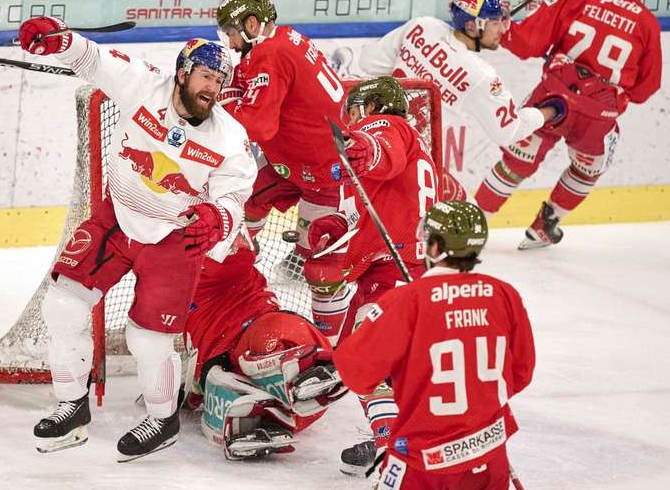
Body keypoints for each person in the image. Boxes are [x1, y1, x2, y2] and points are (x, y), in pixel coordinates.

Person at [17, 21, 257, 460]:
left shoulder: (229, 137)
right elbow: (95, 60)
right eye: (206, 77)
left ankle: (162, 419)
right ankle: (72, 407)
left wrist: (217, 218)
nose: (213, 89)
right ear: (183, 73)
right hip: (117, 219)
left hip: (174, 239)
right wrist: (61, 39)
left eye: (220, 82)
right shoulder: (144, 85)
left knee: (147, 339)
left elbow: (235, 195)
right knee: (63, 304)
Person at [334, 200, 536, 488]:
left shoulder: (405, 302)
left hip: (423, 465)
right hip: (489, 456)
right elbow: (521, 373)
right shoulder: (505, 295)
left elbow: (356, 372)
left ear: (435, 247)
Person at [474, 0, 663, 249]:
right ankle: (545, 225)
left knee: (515, 163)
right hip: (598, 117)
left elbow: (527, 44)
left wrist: (500, 26)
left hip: (552, 100)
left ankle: (470, 226)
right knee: (587, 170)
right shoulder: (646, 23)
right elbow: (646, 88)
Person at [305, 76, 440, 475]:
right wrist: (334, 225)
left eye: (357, 114)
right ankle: (399, 436)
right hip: (405, 268)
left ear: (371, 107)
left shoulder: (387, 126)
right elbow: (373, 204)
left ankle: (391, 447)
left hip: (397, 271)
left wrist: (365, 148)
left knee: (366, 357)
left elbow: (383, 153)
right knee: (357, 358)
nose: (353, 121)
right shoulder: (416, 142)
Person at [216, 0, 351, 347]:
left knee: (321, 268)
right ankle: (237, 275)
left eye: (230, 32)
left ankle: (331, 348)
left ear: (251, 23)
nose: (229, 44)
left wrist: (225, 103)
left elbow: (259, 126)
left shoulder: (269, 54)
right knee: (243, 206)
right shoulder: (284, 37)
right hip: (291, 161)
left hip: (327, 172)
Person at [359, 0, 559, 197]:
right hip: (406, 162)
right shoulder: (480, 75)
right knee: (465, 218)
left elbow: (369, 62)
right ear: (472, 26)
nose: (502, 29)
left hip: (368, 134)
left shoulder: (423, 26)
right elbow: (508, 131)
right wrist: (549, 112)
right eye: (494, 22)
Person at [182, 227, 346, 460]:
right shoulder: (175, 282)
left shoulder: (224, 260)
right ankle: (269, 414)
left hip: (261, 332)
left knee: (277, 335)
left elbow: (238, 246)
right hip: (227, 369)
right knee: (220, 384)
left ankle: (300, 372)